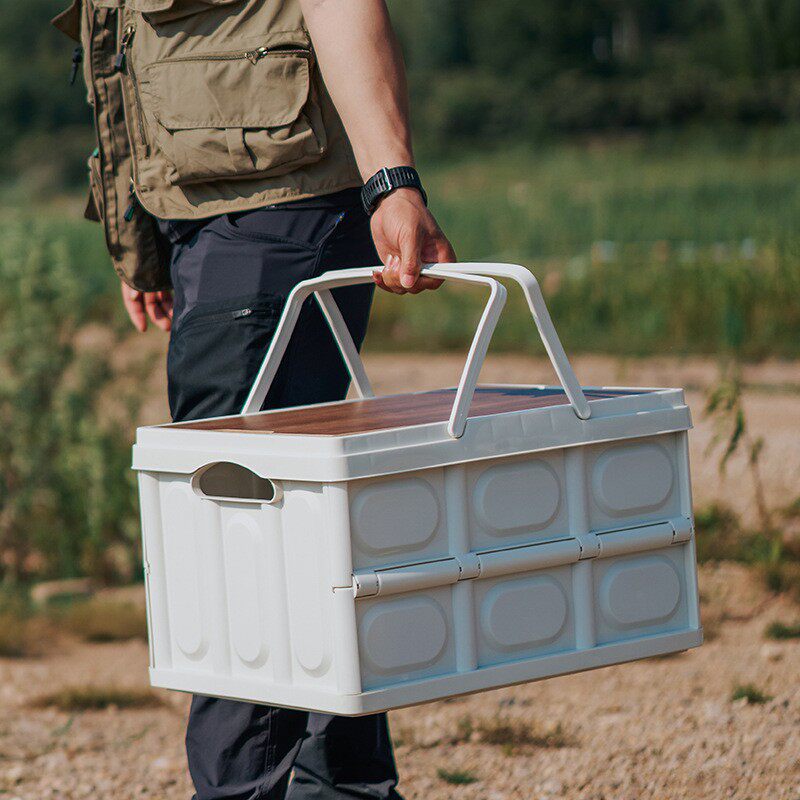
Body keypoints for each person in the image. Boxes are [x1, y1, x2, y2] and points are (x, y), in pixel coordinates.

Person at [53, 0, 454, 797]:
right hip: (207, 216)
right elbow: (122, 39)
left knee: (234, 533)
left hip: (278, 210)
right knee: (290, 530)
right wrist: (140, 232)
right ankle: (340, 786)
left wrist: (392, 182)